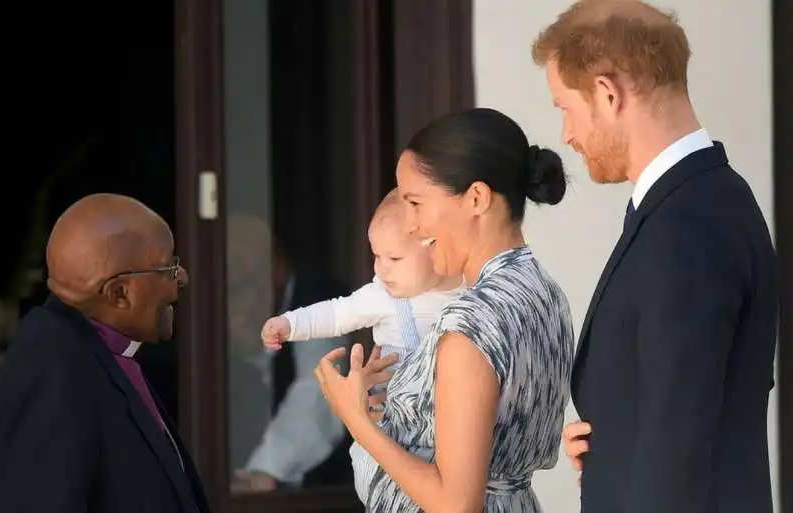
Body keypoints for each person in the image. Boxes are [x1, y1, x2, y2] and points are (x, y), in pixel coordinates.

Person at [531, 2, 778, 513]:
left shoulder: (688, 224)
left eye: (564, 108)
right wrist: (613, 451)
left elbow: (680, 442)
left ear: (606, 93)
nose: (566, 135)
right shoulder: (702, 201)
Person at [314, 107, 575, 512]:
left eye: (416, 203)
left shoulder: (471, 322)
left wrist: (357, 421)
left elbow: (456, 505)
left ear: (476, 198)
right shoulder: (547, 294)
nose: (412, 224)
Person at [0, 193, 210, 513]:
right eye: (169, 267)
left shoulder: (96, 349)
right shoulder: (52, 372)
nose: (183, 278)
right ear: (119, 293)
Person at [261, 189, 464, 501]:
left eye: (394, 258)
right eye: (376, 256)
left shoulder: (469, 294)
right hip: (392, 428)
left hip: (450, 432)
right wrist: (290, 324)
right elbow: (337, 313)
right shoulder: (382, 296)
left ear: (435, 246)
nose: (381, 269)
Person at [230, 220, 353, 492]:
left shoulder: (316, 306)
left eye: (240, 284)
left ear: (276, 268)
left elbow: (318, 391)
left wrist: (265, 471)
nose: (231, 303)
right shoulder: (249, 324)